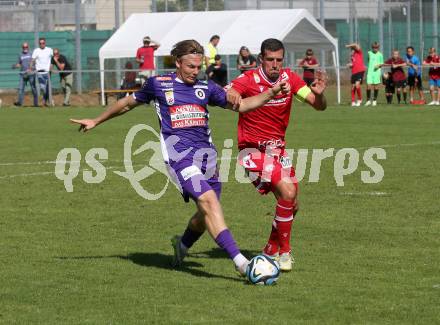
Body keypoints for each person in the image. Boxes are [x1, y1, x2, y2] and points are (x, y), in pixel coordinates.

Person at [70, 39, 289, 277]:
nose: (195, 71)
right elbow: (126, 104)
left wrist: (271, 92)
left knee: (204, 215)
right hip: (179, 159)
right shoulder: (159, 84)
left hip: (207, 159)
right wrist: (95, 120)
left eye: (198, 67)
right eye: (190, 66)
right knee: (209, 203)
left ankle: (182, 245)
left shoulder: (206, 88)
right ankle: (243, 265)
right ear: (178, 62)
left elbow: (243, 106)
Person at [226, 38, 327, 272]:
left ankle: (270, 250)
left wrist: (319, 95)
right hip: (252, 151)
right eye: (270, 59)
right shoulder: (249, 79)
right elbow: (233, 90)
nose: (275, 64)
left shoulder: (290, 79)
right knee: (288, 191)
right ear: (261, 59)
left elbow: (317, 104)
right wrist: (231, 91)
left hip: (278, 151)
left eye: (279, 60)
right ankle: (285, 254)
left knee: (292, 204)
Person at [12, 42, 38, 107]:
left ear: (28, 47)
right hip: (22, 74)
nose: (25, 48)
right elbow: (19, 64)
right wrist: (15, 66)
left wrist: (30, 69)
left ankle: (36, 104)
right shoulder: (20, 54)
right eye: (24, 47)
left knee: (33, 89)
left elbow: (34, 63)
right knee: (21, 89)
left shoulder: (31, 53)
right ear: (22, 48)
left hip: (31, 74)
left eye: (26, 47)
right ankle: (20, 103)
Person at [31, 37, 53, 106]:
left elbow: (53, 60)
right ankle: (45, 100)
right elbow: (32, 60)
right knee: (43, 88)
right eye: (40, 43)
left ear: (45, 43)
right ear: (39, 44)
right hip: (39, 73)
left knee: (48, 88)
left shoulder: (49, 50)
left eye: (43, 43)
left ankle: (47, 102)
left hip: (47, 72)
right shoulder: (36, 51)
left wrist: (51, 68)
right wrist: (31, 66)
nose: (42, 44)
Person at [365, 42, 383, 106]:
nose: (375, 49)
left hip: (377, 72)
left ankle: (375, 100)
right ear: (372, 47)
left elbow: (381, 64)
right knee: (368, 86)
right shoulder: (369, 53)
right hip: (370, 72)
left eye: (376, 47)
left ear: (378, 48)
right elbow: (368, 60)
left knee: (376, 86)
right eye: (374, 47)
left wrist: (378, 66)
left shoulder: (380, 55)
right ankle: (368, 100)